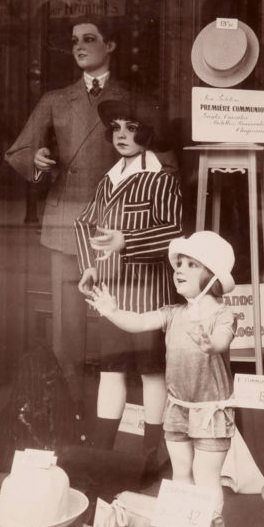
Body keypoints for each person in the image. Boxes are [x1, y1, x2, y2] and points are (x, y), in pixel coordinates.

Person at [4, 16, 177, 413]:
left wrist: (142, 194)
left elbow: (166, 161)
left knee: (121, 326)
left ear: (111, 45)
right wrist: (39, 158)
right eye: (74, 41)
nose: (79, 46)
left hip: (120, 230)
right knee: (68, 330)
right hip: (66, 226)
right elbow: (17, 152)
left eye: (89, 39)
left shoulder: (132, 95)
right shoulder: (55, 99)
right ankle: (69, 413)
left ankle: (121, 417)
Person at [88, 232, 237, 527]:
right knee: (181, 473)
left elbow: (221, 341)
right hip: (178, 408)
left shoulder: (224, 314)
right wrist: (112, 312)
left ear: (212, 276)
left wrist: (210, 345)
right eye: (178, 263)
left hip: (210, 412)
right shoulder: (173, 313)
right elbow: (139, 322)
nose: (178, 269)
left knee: (207, 477)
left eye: (190, 264)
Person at [74, 97, 182, 460]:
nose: (121, 134)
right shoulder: (108, 181)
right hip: (111, 292)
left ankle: (152, 450)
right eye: (116, 127)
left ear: (147, 133)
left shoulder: (161, 178)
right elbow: (84, 222)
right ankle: (104, 451)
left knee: (152, 372)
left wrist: (127, 241)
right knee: (111, 370)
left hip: (150, 292)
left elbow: (173, 232)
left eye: (131, 127)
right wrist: (89, 265)